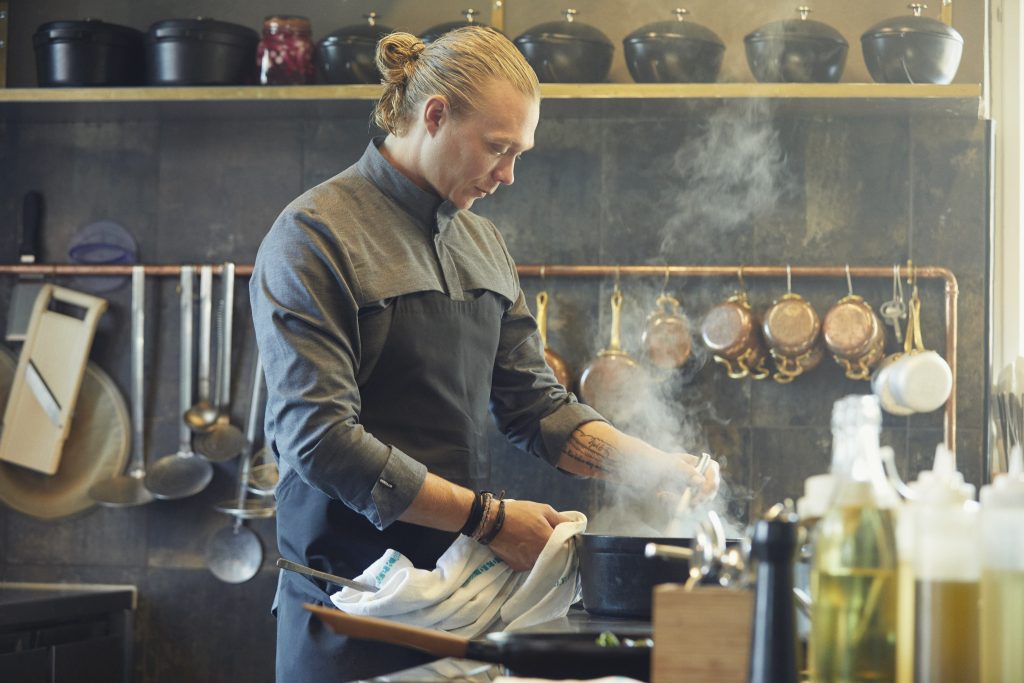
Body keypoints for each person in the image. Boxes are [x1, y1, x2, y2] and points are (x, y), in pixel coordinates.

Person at [250, 26, 720, 682]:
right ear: (434, 114)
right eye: (497, 148)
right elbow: (318, 439)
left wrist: (654, 467)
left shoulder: (483, 244)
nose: (508, 174)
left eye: (518, 152)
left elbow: (536, 408)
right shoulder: (313, 236)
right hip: (348, 610)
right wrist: (488, 518)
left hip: (459, 604)